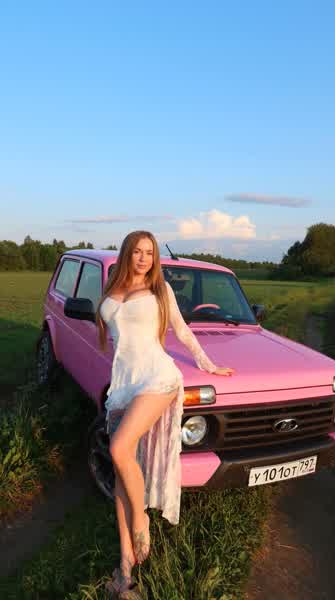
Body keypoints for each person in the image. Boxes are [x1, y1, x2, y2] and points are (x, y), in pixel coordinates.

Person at [95, 230, 235, 597]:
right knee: (122, 474)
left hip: (157, 378)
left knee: (119, 449)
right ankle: (125, 568)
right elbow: (116, 342)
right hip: (123, 385)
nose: (144, 258)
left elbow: (182, 331)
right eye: (137, 252)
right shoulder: (110, 290)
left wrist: (208, 364)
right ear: (127, 253)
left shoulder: (160, 290)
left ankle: (142, 520)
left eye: (149, 252)